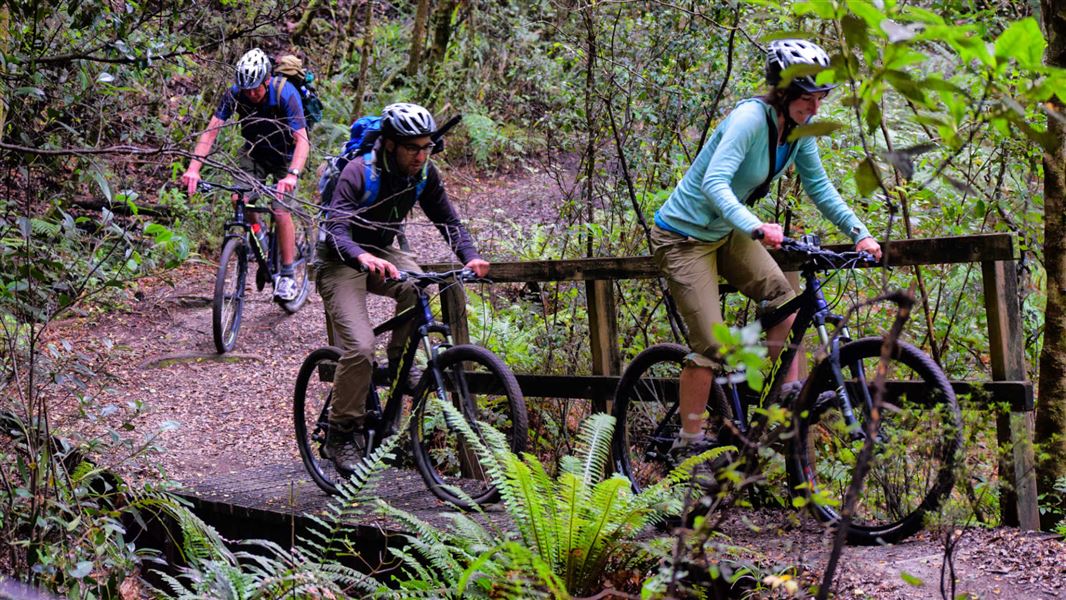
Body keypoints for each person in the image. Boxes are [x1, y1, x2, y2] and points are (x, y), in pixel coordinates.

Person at [651, 38, 883, 456]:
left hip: (727, 232)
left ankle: (774, 396)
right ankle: (686, 445)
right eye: (807, 99)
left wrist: (858, 231)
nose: (814, 109)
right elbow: (713, 183)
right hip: (683, 238)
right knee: (709, 347)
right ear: (784, 92)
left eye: (820, 99)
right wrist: (756, 225)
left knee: (785, 300)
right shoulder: (748, 119)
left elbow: (819, 186)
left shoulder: (798, 132)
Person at [314, 102, 490, 472]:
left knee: (417, 286)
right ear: (391, 144)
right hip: (339, 258)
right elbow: (336, 228)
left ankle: (399, 362)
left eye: (427, 146)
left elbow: (448, 220)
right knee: (360, 348)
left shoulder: (423, 174)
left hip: (381, 249)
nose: (421, 155)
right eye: (413, 147)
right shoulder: (359, 172)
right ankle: (341, 432)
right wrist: (360, 257)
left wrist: (470, 256)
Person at [181, 48, 309, 301]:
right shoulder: (235, 94)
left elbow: (302, 139)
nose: (251, 95)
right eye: (246, 90)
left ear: (267, 80)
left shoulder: (286, 93)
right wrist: (194, 168)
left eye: (256, 90)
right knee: (240, 198)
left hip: (286, 154)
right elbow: (211, 131)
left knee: (281, 209)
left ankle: (287, 275)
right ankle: (259, 236)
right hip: (254, 151)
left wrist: (292, 175)